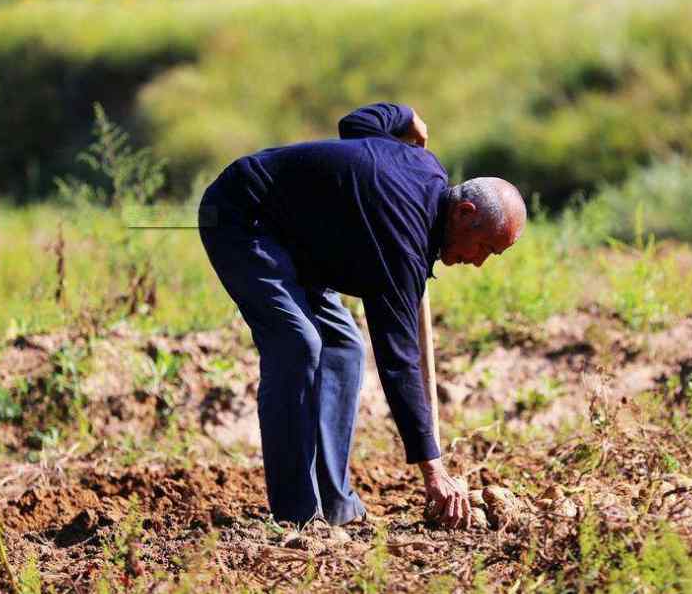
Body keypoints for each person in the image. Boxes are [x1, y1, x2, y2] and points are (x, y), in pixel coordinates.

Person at [197, 103, 526, 530]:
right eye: (485, 248)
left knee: (344, 347)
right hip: (242, 217)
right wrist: (432, 470)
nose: (479, 262)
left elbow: (358, 124)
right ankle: (297, 517)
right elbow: (399, 361)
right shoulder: (402, 243)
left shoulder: (425, 167)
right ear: (464, 213)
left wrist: (404, 117)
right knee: (299, 345)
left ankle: (335, 506)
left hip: (296, 242)